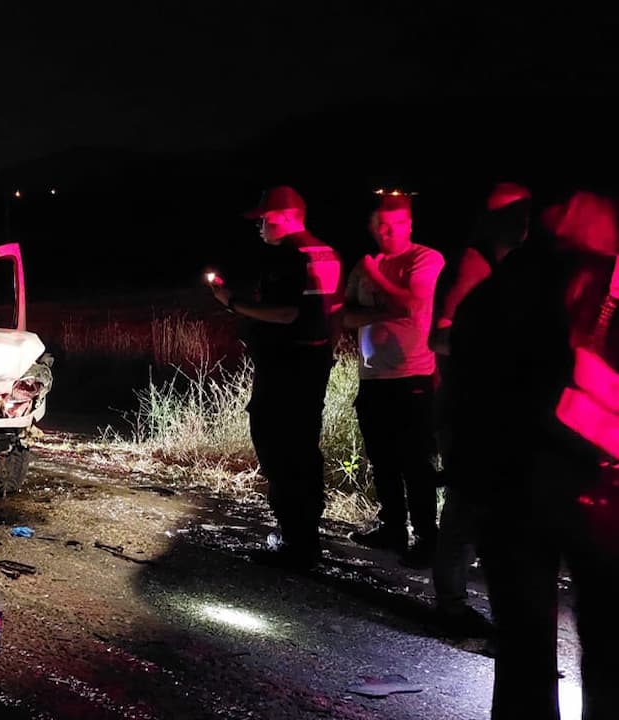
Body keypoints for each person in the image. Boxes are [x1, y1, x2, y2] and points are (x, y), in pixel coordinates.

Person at [452, 189, 619, 719]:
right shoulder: (587, 286)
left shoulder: (494, 292)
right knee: (609, 647)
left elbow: (465, 387)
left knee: (525, 652)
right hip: (582, 488)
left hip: (507, 488)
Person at [210, 185, 342, 569]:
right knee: (303, 447)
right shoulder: (327, 253)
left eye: (264, 220)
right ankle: (306, 537)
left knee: (278, 447)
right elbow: (333, 312)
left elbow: (286, 313)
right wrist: (327, 353)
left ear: (284, 218)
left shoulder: (290, 256)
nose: (260, 228)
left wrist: (232, 303)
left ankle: (293, 541)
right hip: (313, 363)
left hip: (285, 364)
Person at [429, 182, 531, 637]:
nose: (528, 225)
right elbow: (441, 337)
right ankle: (451, 607)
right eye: (519, 215)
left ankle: (470, 604)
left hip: (487, 408)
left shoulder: (508, 266)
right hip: (468, 408)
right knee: (468, 505)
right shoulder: (475, 264)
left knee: (484, 507)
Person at [342, 191, 445, 567]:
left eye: (394, 225)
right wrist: (382, 309)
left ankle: (426, 537)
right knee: (382, 458)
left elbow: (412, 304)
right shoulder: (365, 264)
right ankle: (392, 527)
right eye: (380, 226)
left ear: (409, 225)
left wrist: (374, 279)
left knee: (415, 461)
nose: (386, 232)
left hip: (412, 375)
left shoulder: (424, 259)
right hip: (373, 376)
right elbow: (347, 315)